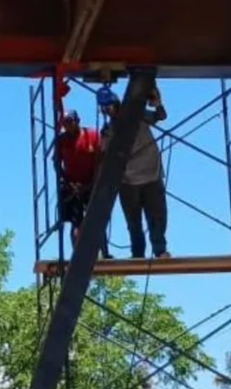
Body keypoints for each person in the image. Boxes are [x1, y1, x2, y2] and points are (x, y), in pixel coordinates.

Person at [99, 86, 171, 259]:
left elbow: (160, 116)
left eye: (110, 105)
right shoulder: (108, 131)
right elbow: (105, 157)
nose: (108, 110)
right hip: (128, 181)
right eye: (104, 107)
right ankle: (138, 253)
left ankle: (160, 250)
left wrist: (157, 103)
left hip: (151, 174)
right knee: (133, 222)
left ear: (116, 102)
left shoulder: (137, 115)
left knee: (157, 216)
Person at [56, 109, 112, 259]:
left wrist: (92, 184)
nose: (66, 126)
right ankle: (78, 257)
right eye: (64, 124)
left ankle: (104, 253)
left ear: (77, 121)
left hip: (92, 182)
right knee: (76, 222)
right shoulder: (62, 140)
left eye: (69, 122)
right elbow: (56, 163)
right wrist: (68, 184)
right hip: (72, 186)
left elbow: (99, 162)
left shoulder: (92, 136)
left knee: (97, 219)